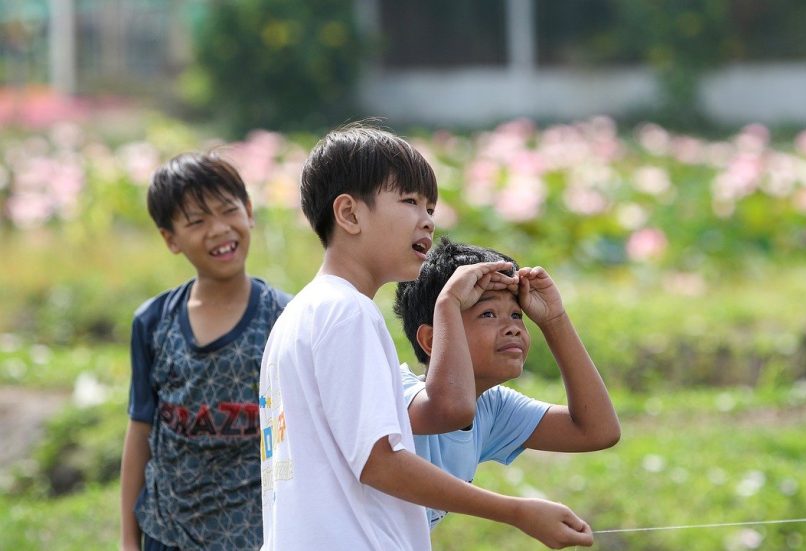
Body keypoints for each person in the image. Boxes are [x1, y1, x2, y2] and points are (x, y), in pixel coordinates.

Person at [258, 124, 594, 549]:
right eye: (410, 202)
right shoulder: (347, 311)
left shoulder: (299, 316)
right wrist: (516, 511)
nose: (428, 221)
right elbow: (379, 463)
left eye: (431, 208)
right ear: (349, 214)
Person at [120, 153, 291, 551]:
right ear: (170, 239)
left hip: (259, 535)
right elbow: (140, 429)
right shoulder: (153, 321)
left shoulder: (286, 319)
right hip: (167, 533)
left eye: (228, 210)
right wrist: (129, 540)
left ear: (249, 212)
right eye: (196, 221)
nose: (217, 229)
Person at [394, 237, 621, 528]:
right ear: (431, 340)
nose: (513, 328)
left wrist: (555, 320)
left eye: (516, 315)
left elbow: (597, 431)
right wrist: (448, 301)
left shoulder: (491, 407)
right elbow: (449, 409)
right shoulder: (396, 393)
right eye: (488, 314)